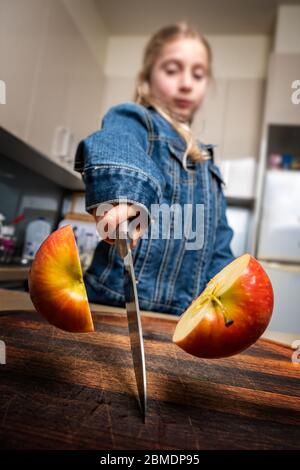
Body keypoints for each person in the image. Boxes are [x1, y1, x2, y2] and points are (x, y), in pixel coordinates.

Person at [74, 22, 235, 316]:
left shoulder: (207, 163)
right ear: (147, 78)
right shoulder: (137, 121)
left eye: (198, 74)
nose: (186, 83)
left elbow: (219, 250)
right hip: (110, 307)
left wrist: (227, 304)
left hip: (184, 318)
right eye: (172, 70)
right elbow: (118, 142)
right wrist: (123, 196)